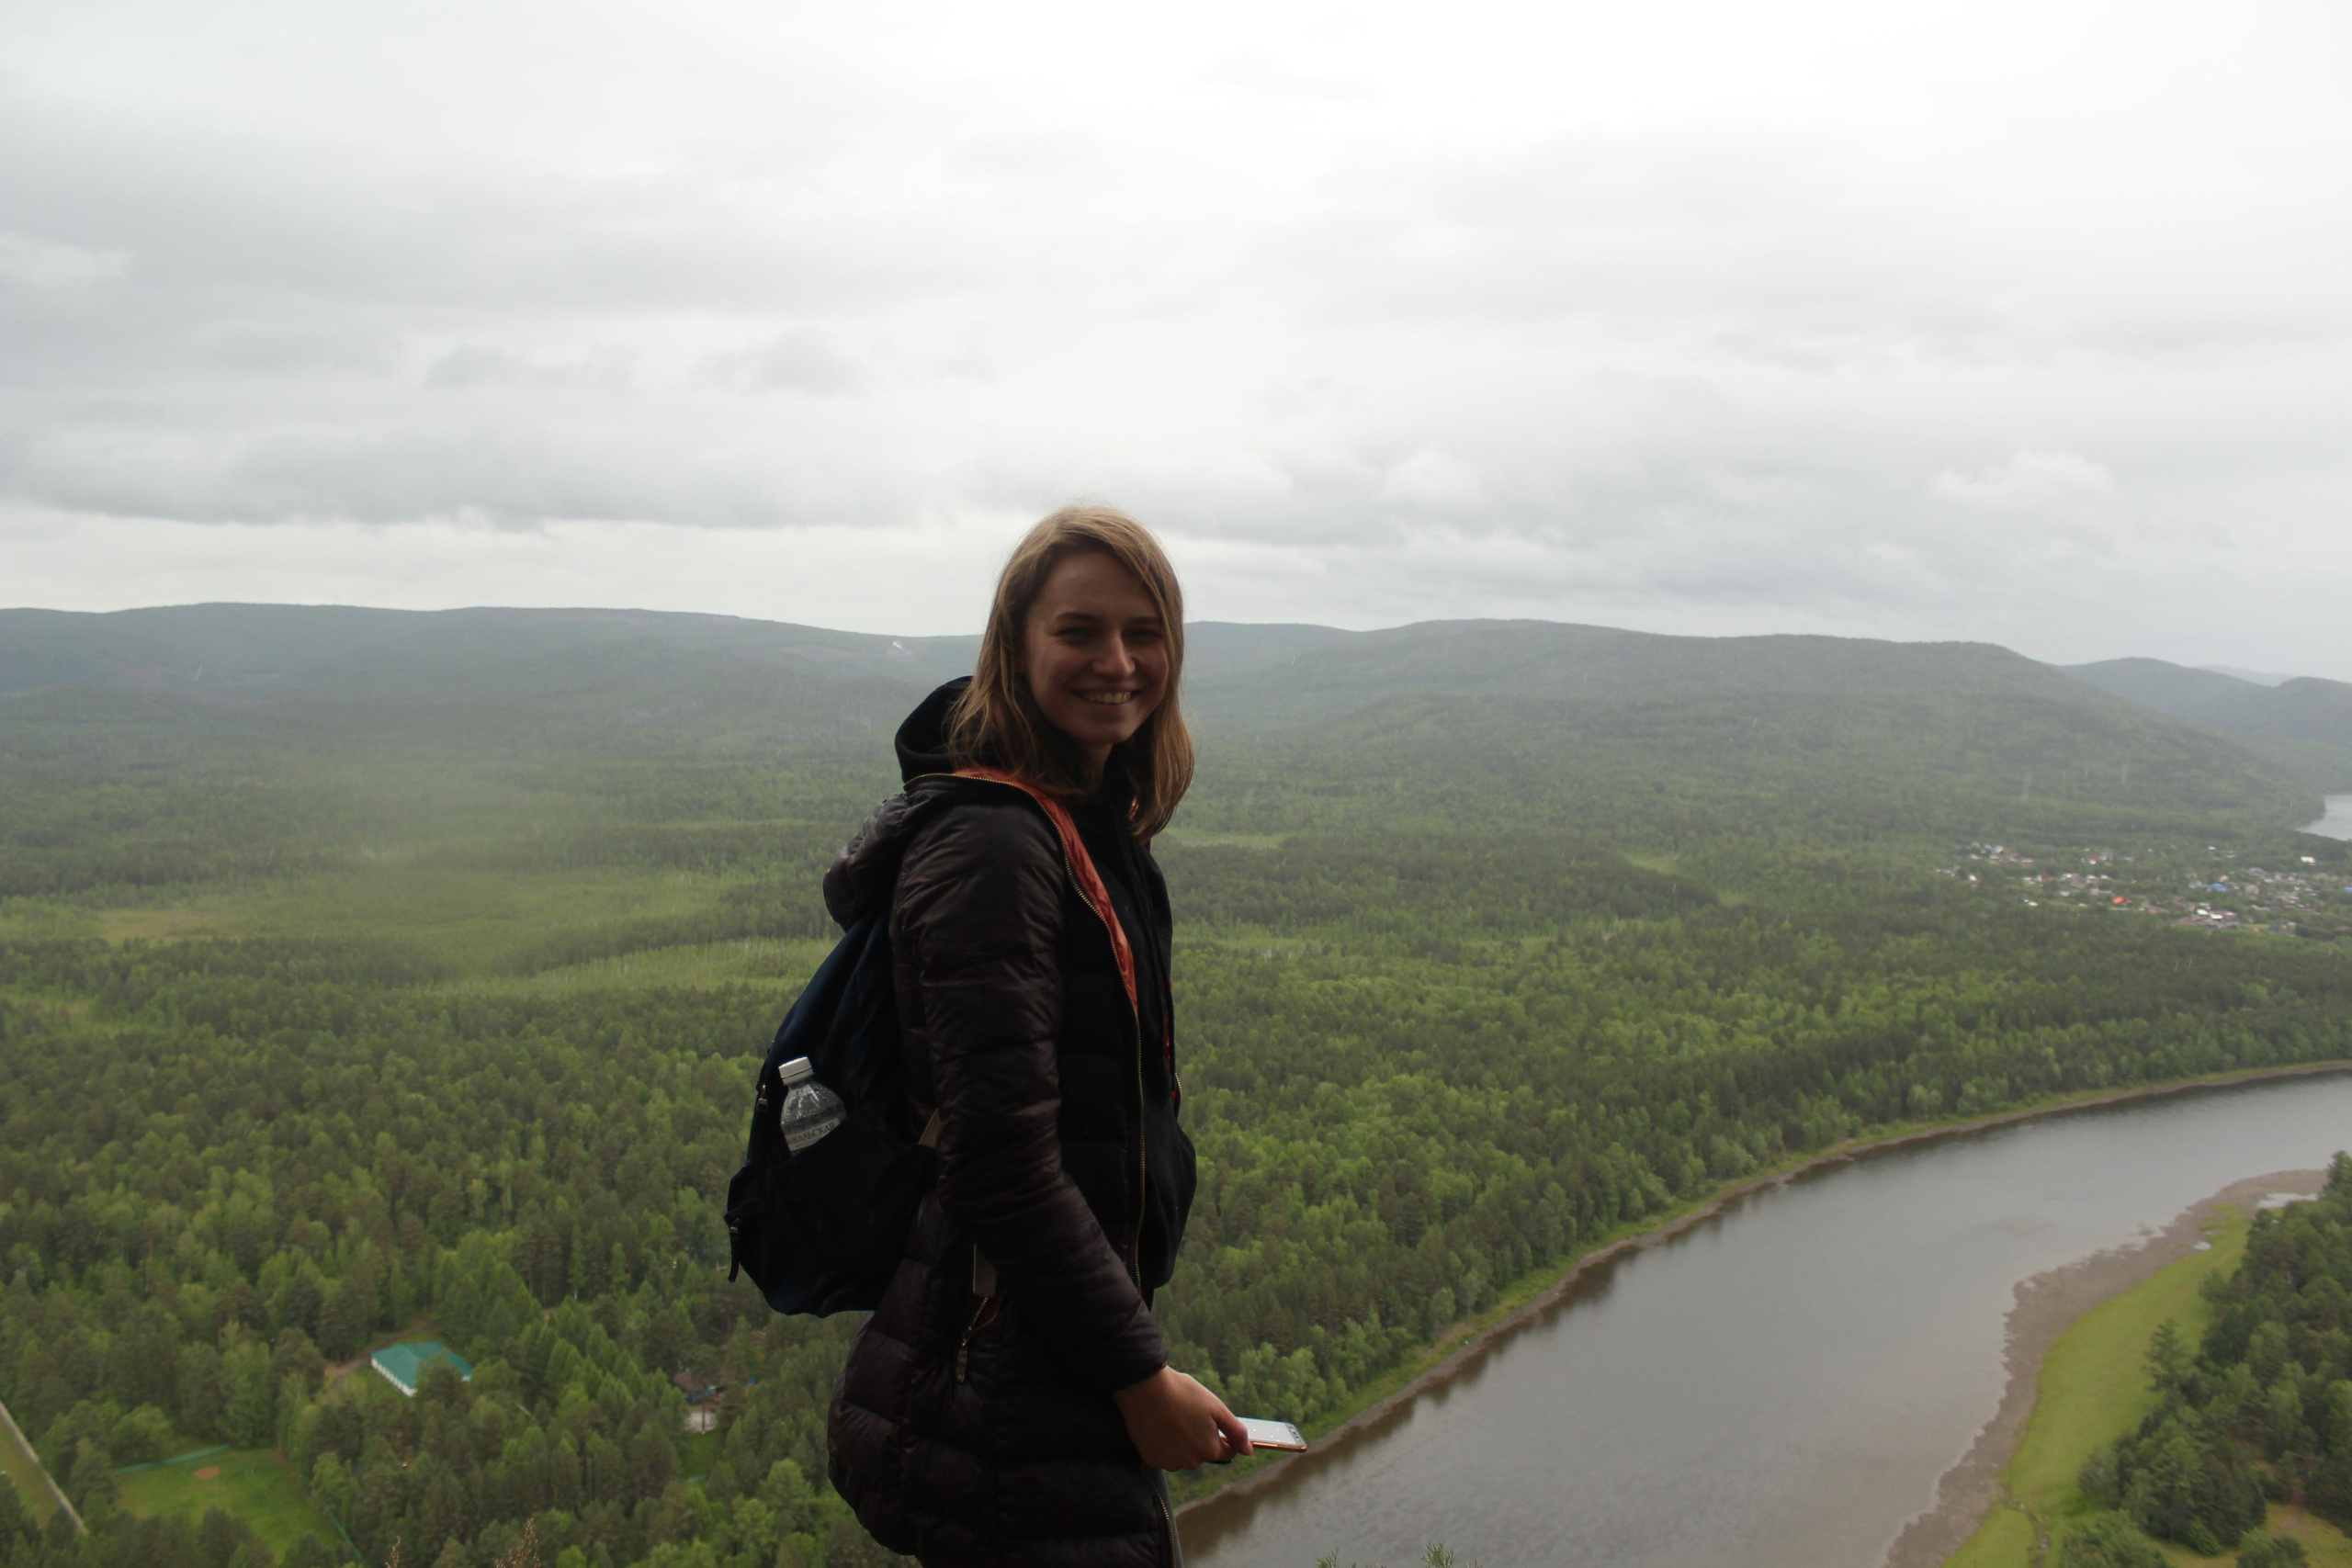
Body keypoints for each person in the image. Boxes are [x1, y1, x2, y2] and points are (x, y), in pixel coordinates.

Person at [824, 505, 1250, 1567]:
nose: (1118, 663)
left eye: (1144, 634)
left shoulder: (1088, 824)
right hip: (1004, 1388)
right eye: (1079, 632)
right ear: (1013, 647)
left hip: (1040, 1355)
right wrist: (1137, 1378)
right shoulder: (995, 848)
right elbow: (1001, 1165)